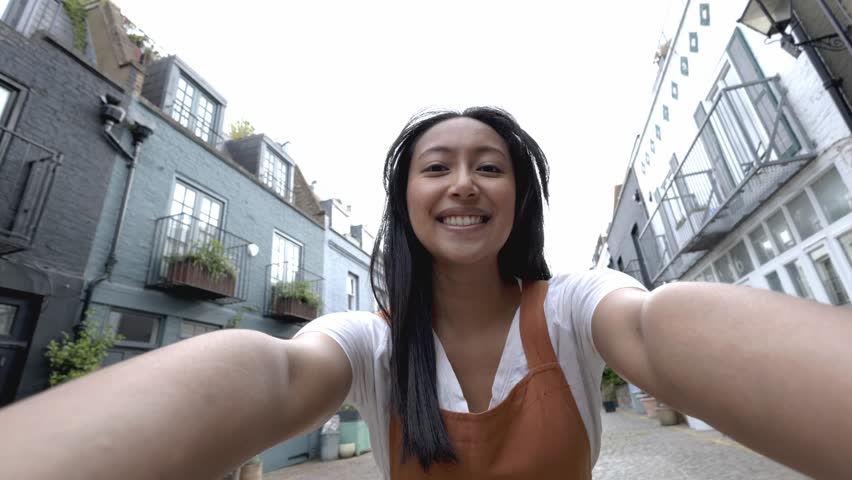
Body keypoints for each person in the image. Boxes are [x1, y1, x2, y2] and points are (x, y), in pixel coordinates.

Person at [0, 107, 850, 480]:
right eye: (436, 167)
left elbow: (658, 330)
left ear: (519, 197)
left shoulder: (575, 304)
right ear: (405, 201)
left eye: (490, 166)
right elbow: (274, 377)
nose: (464, 183)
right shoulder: (364, 343)